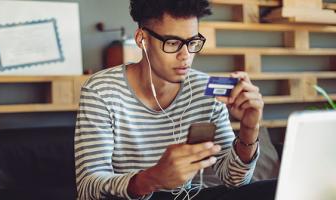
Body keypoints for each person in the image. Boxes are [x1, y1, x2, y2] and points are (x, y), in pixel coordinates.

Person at [74, 0, 277, 199]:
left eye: (192, 42)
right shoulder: (101, 91)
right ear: (141, 39)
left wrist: (249, 128)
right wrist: (151, 179)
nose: (185, 55)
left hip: (187, 196)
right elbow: (88, 187)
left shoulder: (205, 90)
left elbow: (235, 181)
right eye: (172, 43)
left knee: (276, 190)